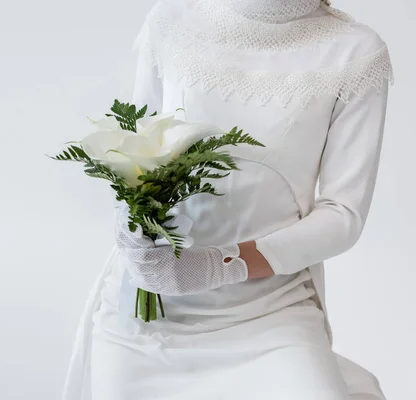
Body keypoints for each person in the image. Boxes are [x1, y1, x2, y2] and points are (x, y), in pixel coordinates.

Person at [63, 0, 393, 399]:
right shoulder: (172, 21)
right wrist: (132, 230)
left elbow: (343, 215)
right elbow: (136, 151)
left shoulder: (355, 51)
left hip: (272, 309)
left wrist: (220, 265)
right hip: (149, 310)